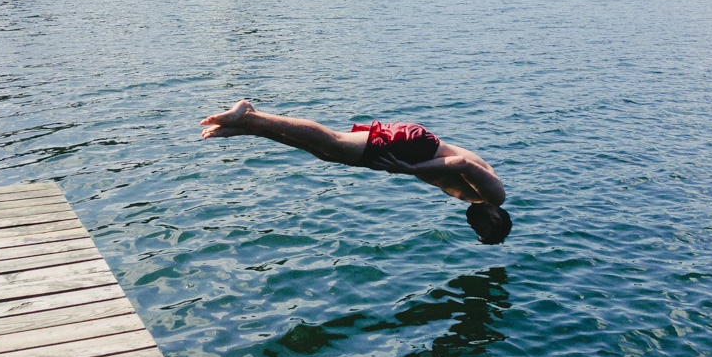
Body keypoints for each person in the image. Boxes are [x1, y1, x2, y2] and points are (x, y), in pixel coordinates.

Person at [200, 100, 512, 244]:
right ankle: (250, 114)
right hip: (416, 148)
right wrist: (410, 169)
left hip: (413, 153)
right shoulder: (495, 196)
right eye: (483, 232)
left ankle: (249, 127)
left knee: (326, 154)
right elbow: (463, 164)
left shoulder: (476, 201)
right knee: (333, 142)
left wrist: (411, 168)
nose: (476, 229)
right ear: (497, 220)